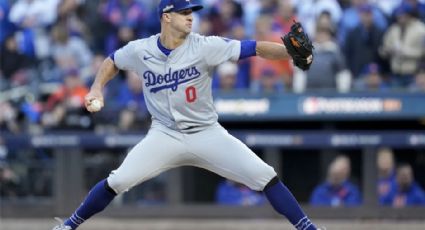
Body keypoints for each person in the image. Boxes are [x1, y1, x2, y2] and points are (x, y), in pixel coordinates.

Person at [52, 0, 317, 229]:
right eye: (183, 12)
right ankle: (68, 225)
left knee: (265, 174)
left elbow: (254, 48)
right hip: (164, 134)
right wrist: (97, 87)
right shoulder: (140, 50)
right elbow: (112, 61)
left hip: (206, 133)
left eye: (192, 11)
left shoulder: (204, 45)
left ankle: (308, 228)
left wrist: (291, 53)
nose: (191, 16)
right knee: (118, 180)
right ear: (167, 17)